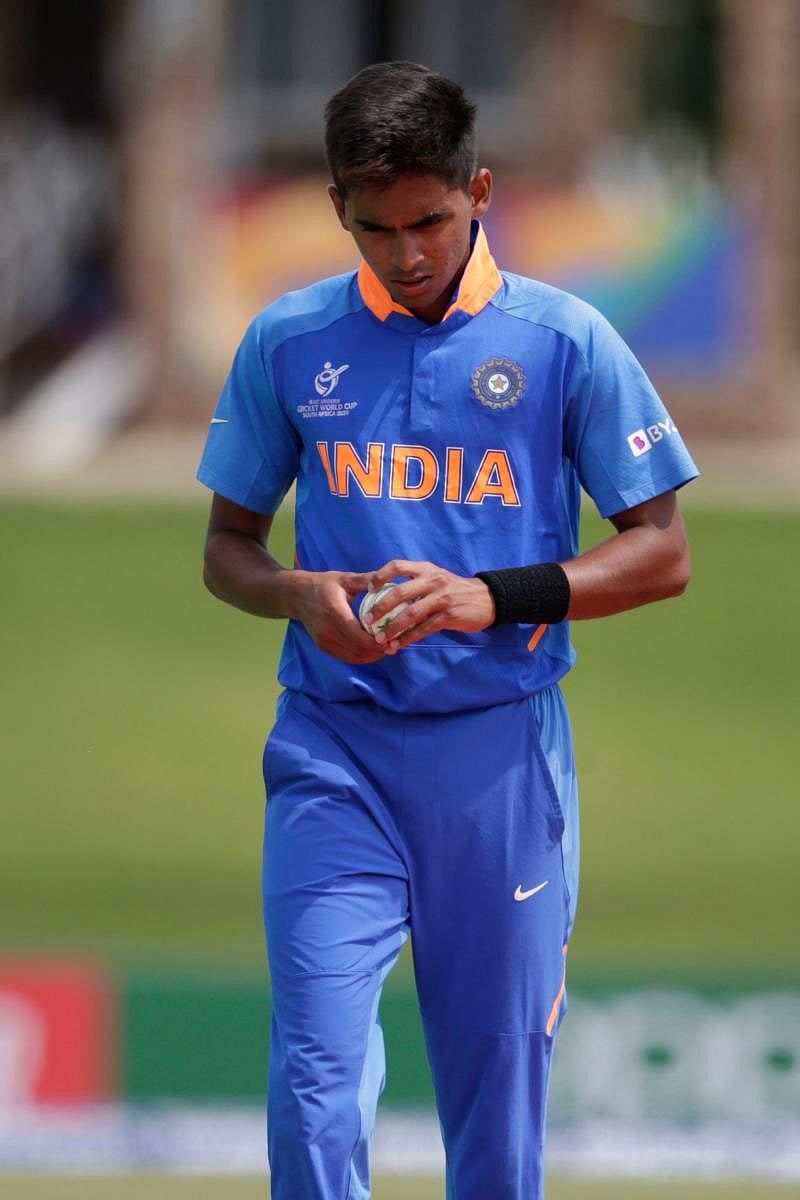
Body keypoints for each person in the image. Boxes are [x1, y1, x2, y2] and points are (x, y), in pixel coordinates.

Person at [197, 61, 698, 1200]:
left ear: (477, 191)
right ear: (336, 211)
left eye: (427, 221)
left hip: (499, 762)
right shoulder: (288, 341)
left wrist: (493, 597)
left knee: (496, 1114)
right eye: (374, 229)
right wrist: (293, 596)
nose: (406, 254)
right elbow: (227, 550)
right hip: (334, 750)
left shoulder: (563, 339)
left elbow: (662, 551)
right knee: (314, 1084)